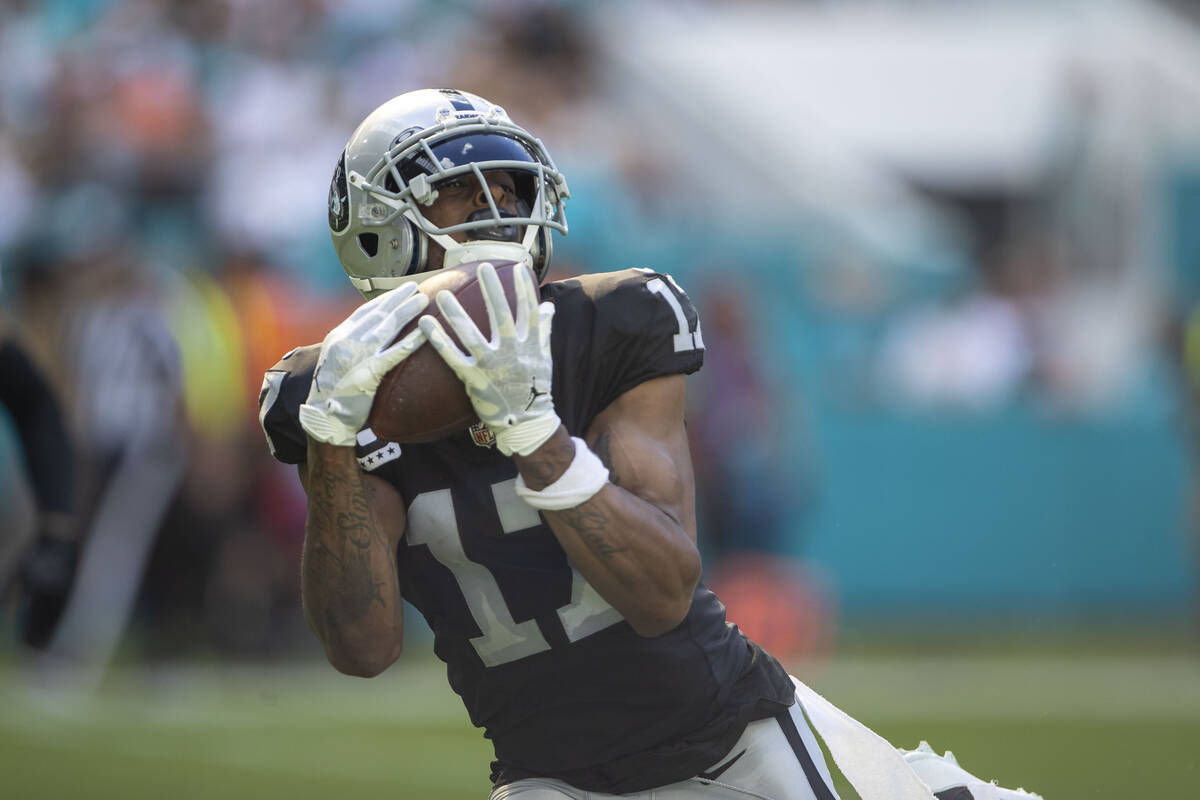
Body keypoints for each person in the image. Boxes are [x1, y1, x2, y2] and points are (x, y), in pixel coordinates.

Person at [259, 89, 1043, 800]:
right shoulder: (340, 394)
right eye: (458, 193)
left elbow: (663, 591)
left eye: (508, 189)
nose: (495, 213)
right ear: (378, 232)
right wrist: (331, 442)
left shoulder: (613, 327)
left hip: (729, 746)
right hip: (545, 774)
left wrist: (534, 432)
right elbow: (361, 648)